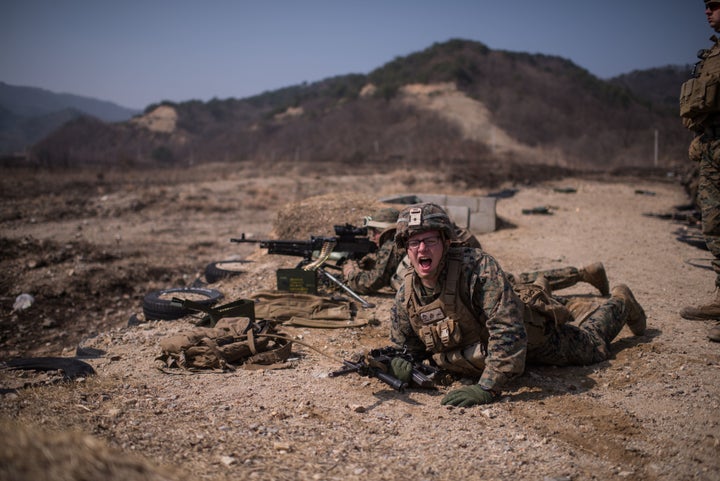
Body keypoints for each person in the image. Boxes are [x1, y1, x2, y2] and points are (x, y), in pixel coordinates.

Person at [387, 203, 647, 407]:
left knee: (593, 347)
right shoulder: (406, 294)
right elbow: (408, 347)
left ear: (445, 242)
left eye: (430, 240)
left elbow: (508, 328)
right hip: (481, 352)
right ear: (406, 249)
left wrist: (488, 386)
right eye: (413, 242)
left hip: (531, 340)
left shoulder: (477, 268)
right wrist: (403, 365)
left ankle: (622, 301)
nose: (422, 248)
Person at [678, 0, 720, 343]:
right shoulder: (711, 55)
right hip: (713, 150)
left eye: (715, 5)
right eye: (706, 6)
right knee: (714, 226)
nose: (707, 12)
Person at [342, 207, 402, 295]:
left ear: (384, 230)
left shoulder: (391, 243)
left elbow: (371, 283)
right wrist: (374, 264)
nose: (372, 237)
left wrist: (350, 273)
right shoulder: (401, 239)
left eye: (375, 232)